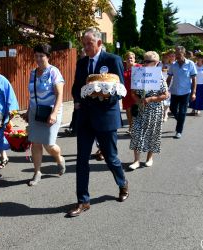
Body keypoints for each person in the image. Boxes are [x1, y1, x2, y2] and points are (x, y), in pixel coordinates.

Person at [68, 28, 129, 217]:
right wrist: (78, 100)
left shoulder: (112, 60)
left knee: (111, 157)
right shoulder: (81, 63)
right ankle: (83, 201)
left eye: (89, 44)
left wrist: (103, 98)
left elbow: (120, 89)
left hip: (105, 117)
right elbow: (76, 87)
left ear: (99, 43)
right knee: (81, 160)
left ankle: (122, 182)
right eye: (84, 44)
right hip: (85, 118)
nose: (86, 48)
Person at [22, 44, 65, 186]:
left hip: (51, 112)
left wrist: (54, 113)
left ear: (47, 57)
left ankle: (59, 158)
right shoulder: (33, 73)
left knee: (49, 144)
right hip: (36, 112)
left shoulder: (54, 72)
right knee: (36, 143)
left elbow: (59, 95)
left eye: (42, 56)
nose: (39, 58)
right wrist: (29, 111)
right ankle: (37, 172)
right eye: (36, 55)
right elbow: (32, 94)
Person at [129, 51, 169, 170]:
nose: (145, 64)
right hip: (140, 109)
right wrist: (138, 100)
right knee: (136, 133)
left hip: (154, 109)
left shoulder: (160, 76)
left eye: (148, 61)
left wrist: (151, 98)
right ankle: (136, 160)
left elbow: (165, 95)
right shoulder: (138, 74)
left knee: (152, 133)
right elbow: (132, 93)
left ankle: (149, 158)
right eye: (144, 61)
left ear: (156, 63)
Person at [166, 46, 197, 139]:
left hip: (185, 92)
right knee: (172, 108)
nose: (177, 56)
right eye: (176, 54)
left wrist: (194, 92)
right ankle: (180, 120)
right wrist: (165, 89)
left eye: (179, 54)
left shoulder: (190, 64)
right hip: (174, 91)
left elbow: (194, 79)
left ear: (184, 54)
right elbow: (169, 78)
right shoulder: (173, 65)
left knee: (183, 112)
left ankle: (178, 131)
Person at [122, 51, 141, 133]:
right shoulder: (123, 68)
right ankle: (131, 127)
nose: (130, 59)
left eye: (131, 58)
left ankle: (136, 128)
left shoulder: (139, 67)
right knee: (128, 110)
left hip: (136, 93)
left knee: (136, 111)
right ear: (125, 59)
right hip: (126, 93)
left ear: (134, 59)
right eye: (128, 58)